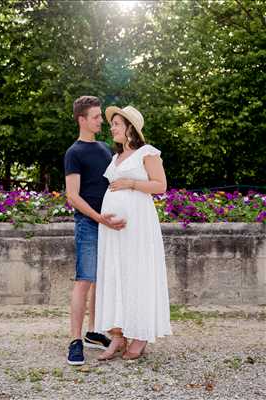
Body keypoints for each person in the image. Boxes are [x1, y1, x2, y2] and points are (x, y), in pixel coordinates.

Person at [95, 105, 172, 361]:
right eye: (112, 124)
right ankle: (117, 335)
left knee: (136, 273)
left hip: (137, 227)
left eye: (116, 124)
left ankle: (140, 335)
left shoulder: (146, 153)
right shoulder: (115, 157)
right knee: (116, 275)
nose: (112, 127)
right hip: (113, 232)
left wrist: (131, 183)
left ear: (130, 127)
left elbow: (160, 185)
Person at [64, 96, 126, 365]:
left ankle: (93, 332)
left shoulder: (104, 149)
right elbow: (72, 196)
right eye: (96, 117)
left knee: (102, 281)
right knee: (84, 280)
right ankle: (75, 340)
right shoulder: (74, 153)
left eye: (101, 117)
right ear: (82, 120)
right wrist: (99, 218)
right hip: (89, 224)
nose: (101, 121)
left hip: (109, 224)